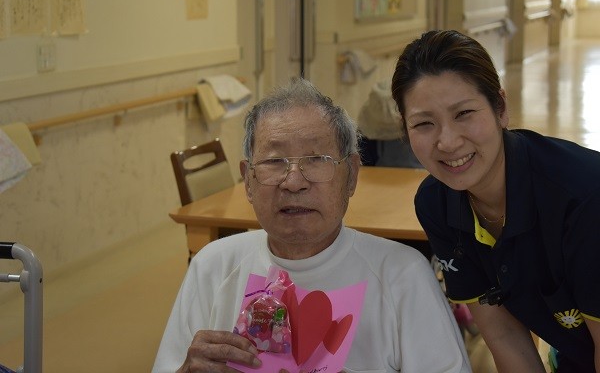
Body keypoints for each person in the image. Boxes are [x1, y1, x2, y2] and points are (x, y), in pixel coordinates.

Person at [152, 77, 471, 373]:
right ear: (248, 180)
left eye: (317, 159)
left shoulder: (403, 275)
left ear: (352, 175)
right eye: (274, 161)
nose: (293, 182)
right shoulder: (212, 267)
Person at [390, 29, 600, 372]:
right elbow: (503, 335)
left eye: (463, 114)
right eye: (424, 123)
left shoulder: (585, 197)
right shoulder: (436, 203)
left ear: (500, 108)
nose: (447, 142)